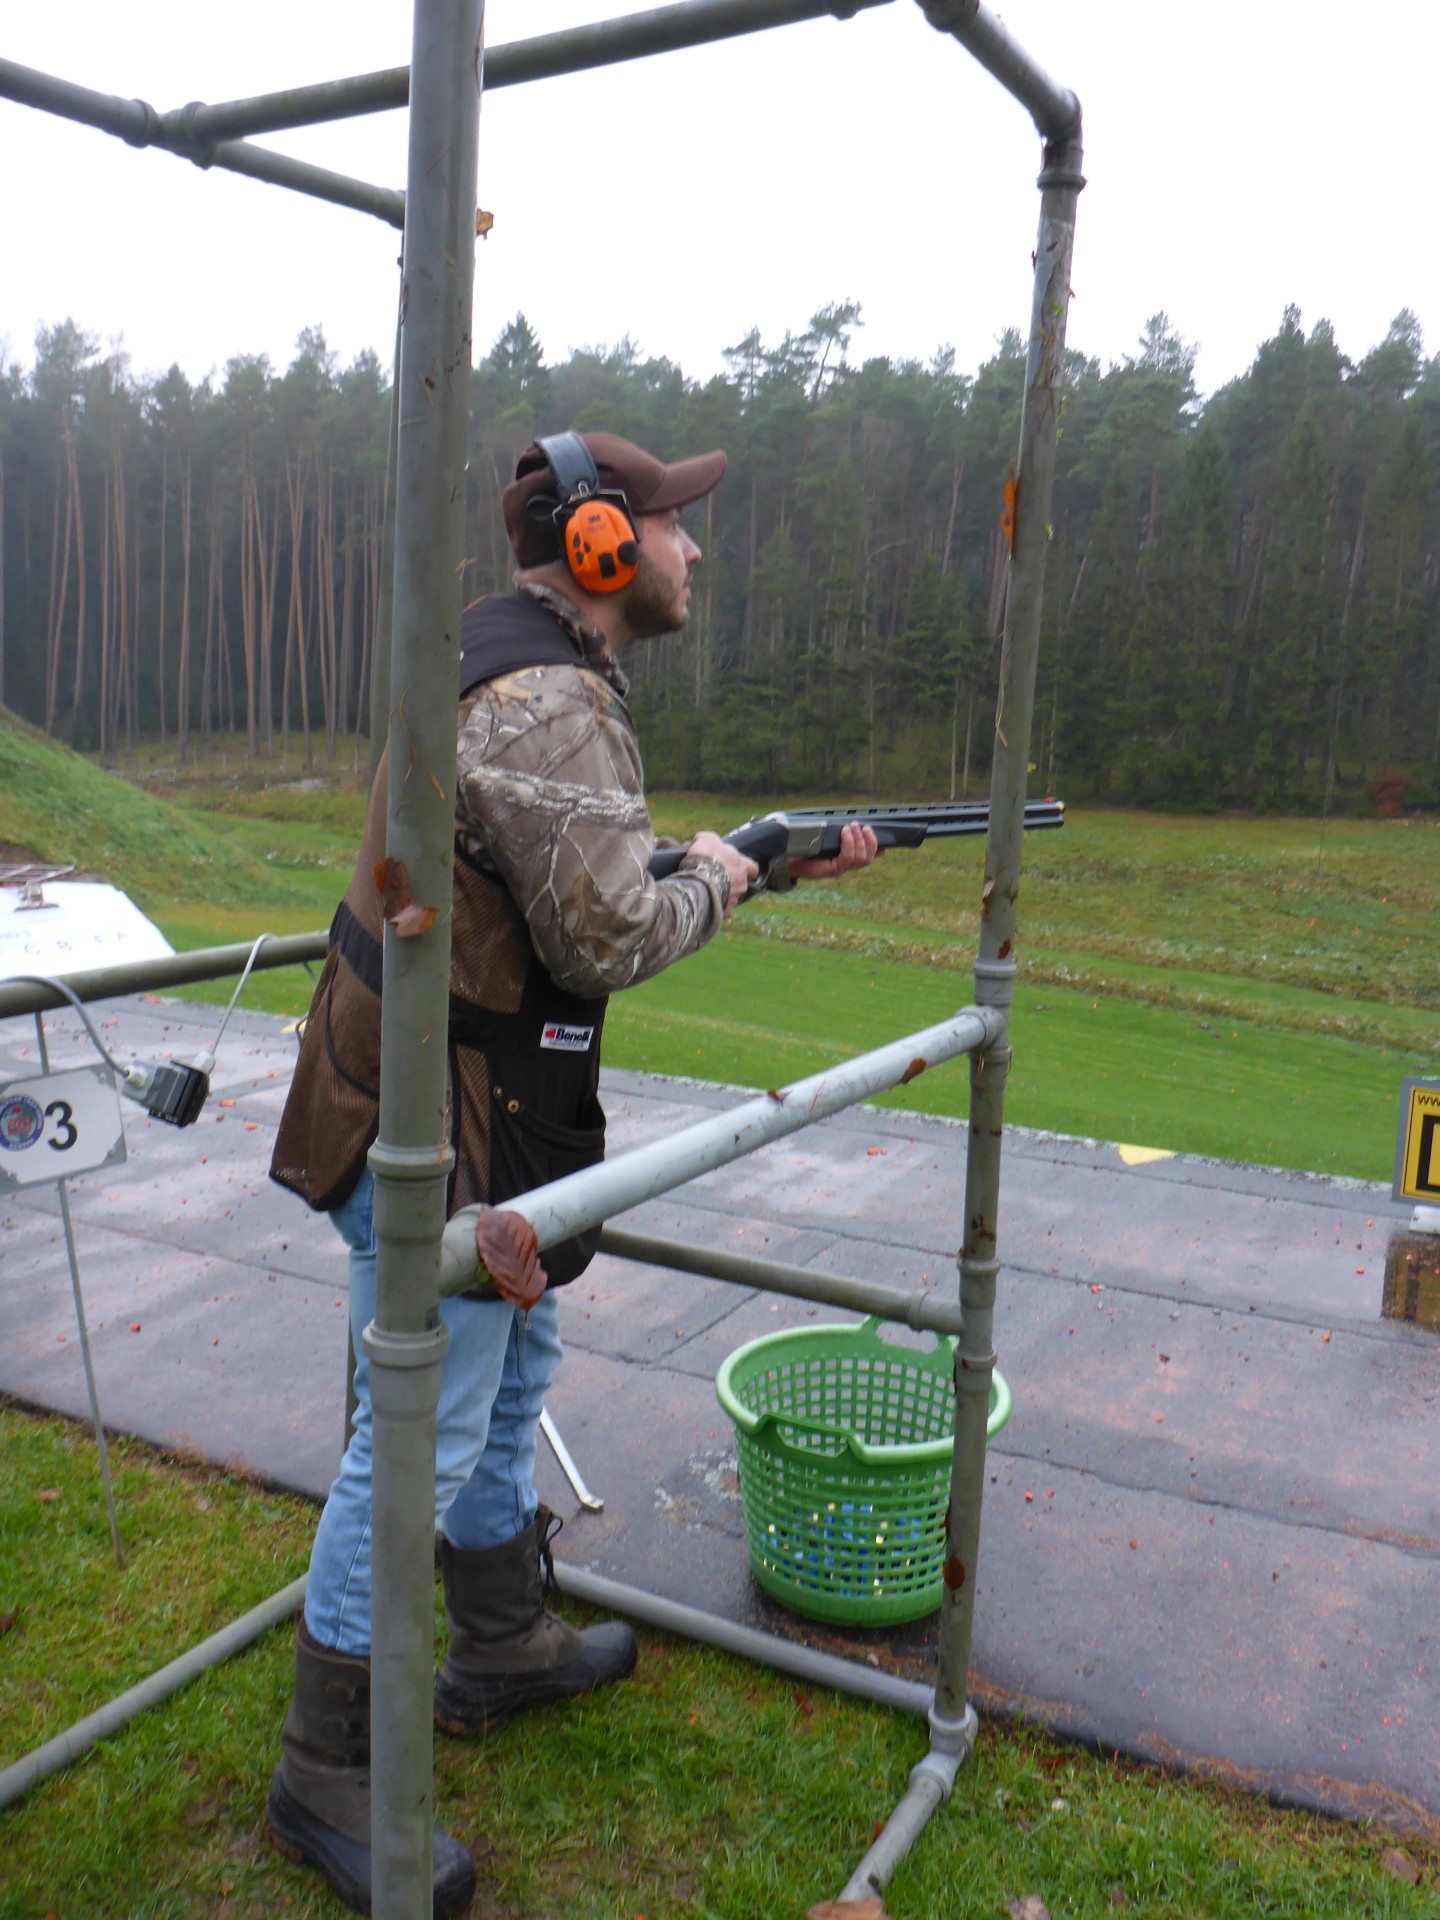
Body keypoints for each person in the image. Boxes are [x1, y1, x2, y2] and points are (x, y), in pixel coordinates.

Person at [263, 429, 878, 1914]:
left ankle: (496, 1644)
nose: (693, 550)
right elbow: (604, 938)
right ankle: (324, 1766)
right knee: (414, 1437)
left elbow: (563, 881)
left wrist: (744, 861)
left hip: (465, 1108)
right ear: (600, 543)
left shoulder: (522, 669)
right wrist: (723, 876)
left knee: (510, 1370)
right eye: (673, 526)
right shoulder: (549, 702)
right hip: (440, 1124)